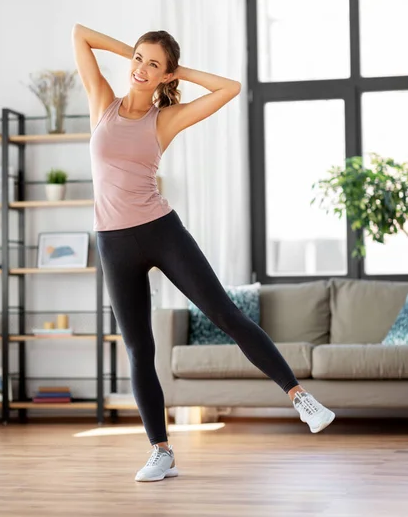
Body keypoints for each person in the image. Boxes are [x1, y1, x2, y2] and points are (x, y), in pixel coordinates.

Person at [71, 24, 336, 482]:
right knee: (139, 348)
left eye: (153, 65)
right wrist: (134, 56)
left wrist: (174, 72)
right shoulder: (103, 102)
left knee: (225, 314)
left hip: (160, 231)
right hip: (112, 241)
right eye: (138, 59)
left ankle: (300, 398)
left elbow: (229, 88)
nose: (141, 69)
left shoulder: (165, 119)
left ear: (164, 75)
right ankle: (161, 451)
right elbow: (79, 34)